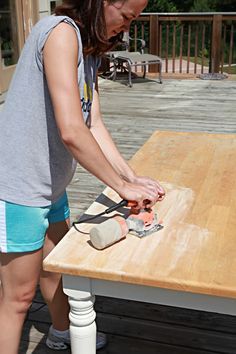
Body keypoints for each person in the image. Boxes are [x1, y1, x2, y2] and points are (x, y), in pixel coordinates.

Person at [0, 0, 165, 353]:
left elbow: (94, 124)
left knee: (55, 270)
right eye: (126, 17)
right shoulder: (60, 33)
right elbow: (72, 131)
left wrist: (132, 178)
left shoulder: (86, 49)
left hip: (50, 185)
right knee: (18, 296)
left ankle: (61, 332)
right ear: (106, 3)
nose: (126, 27)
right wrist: (121, 187)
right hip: (17, 188)